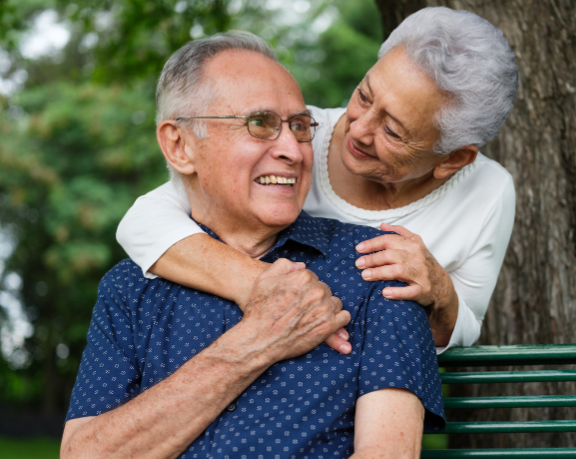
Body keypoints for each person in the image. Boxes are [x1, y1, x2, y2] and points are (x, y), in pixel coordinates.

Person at [61, 32, 444, 459]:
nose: (293, 152)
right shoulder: (129, 289)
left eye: (299, 127)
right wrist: (255, 342)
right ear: (179, 145)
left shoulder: (378, 265)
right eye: (260, 124)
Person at [116, 7, 519, 353]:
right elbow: (143, 222)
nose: (358, 128)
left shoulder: (488, 191)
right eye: (364, 95)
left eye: (393, 132)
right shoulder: (292, 136)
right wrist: (262, 285)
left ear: (453, 159)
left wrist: (440, 291)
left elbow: (463, 325)